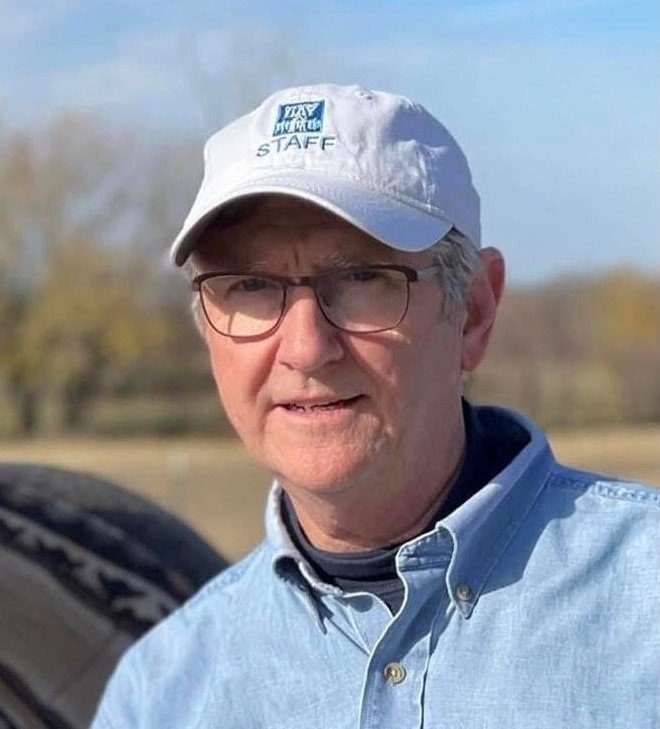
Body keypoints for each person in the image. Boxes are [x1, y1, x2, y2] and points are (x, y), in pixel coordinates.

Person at [91, 84, 659, 728]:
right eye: (249, 285)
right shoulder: (162, 694)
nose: (305, 349)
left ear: (473, 312)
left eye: (362, 278)